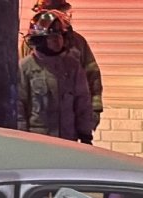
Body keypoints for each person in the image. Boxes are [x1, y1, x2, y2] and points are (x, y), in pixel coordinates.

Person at [24, 0, 104, 131]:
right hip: (38, 128)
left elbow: (92, 78)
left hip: (68, 127)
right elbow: (21, 91)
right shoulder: (30, 45)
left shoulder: (77, 43)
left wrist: (93, 113)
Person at [18, 9, 94, 144]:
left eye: (59, 35)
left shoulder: (72, 66)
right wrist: (21, 139)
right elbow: (19, 106)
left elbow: (82, 102)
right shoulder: (25, 68)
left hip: (67, 141)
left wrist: (85, 134)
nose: (58, 40)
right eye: (52, 37)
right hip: (38, 143)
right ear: (40, 40)